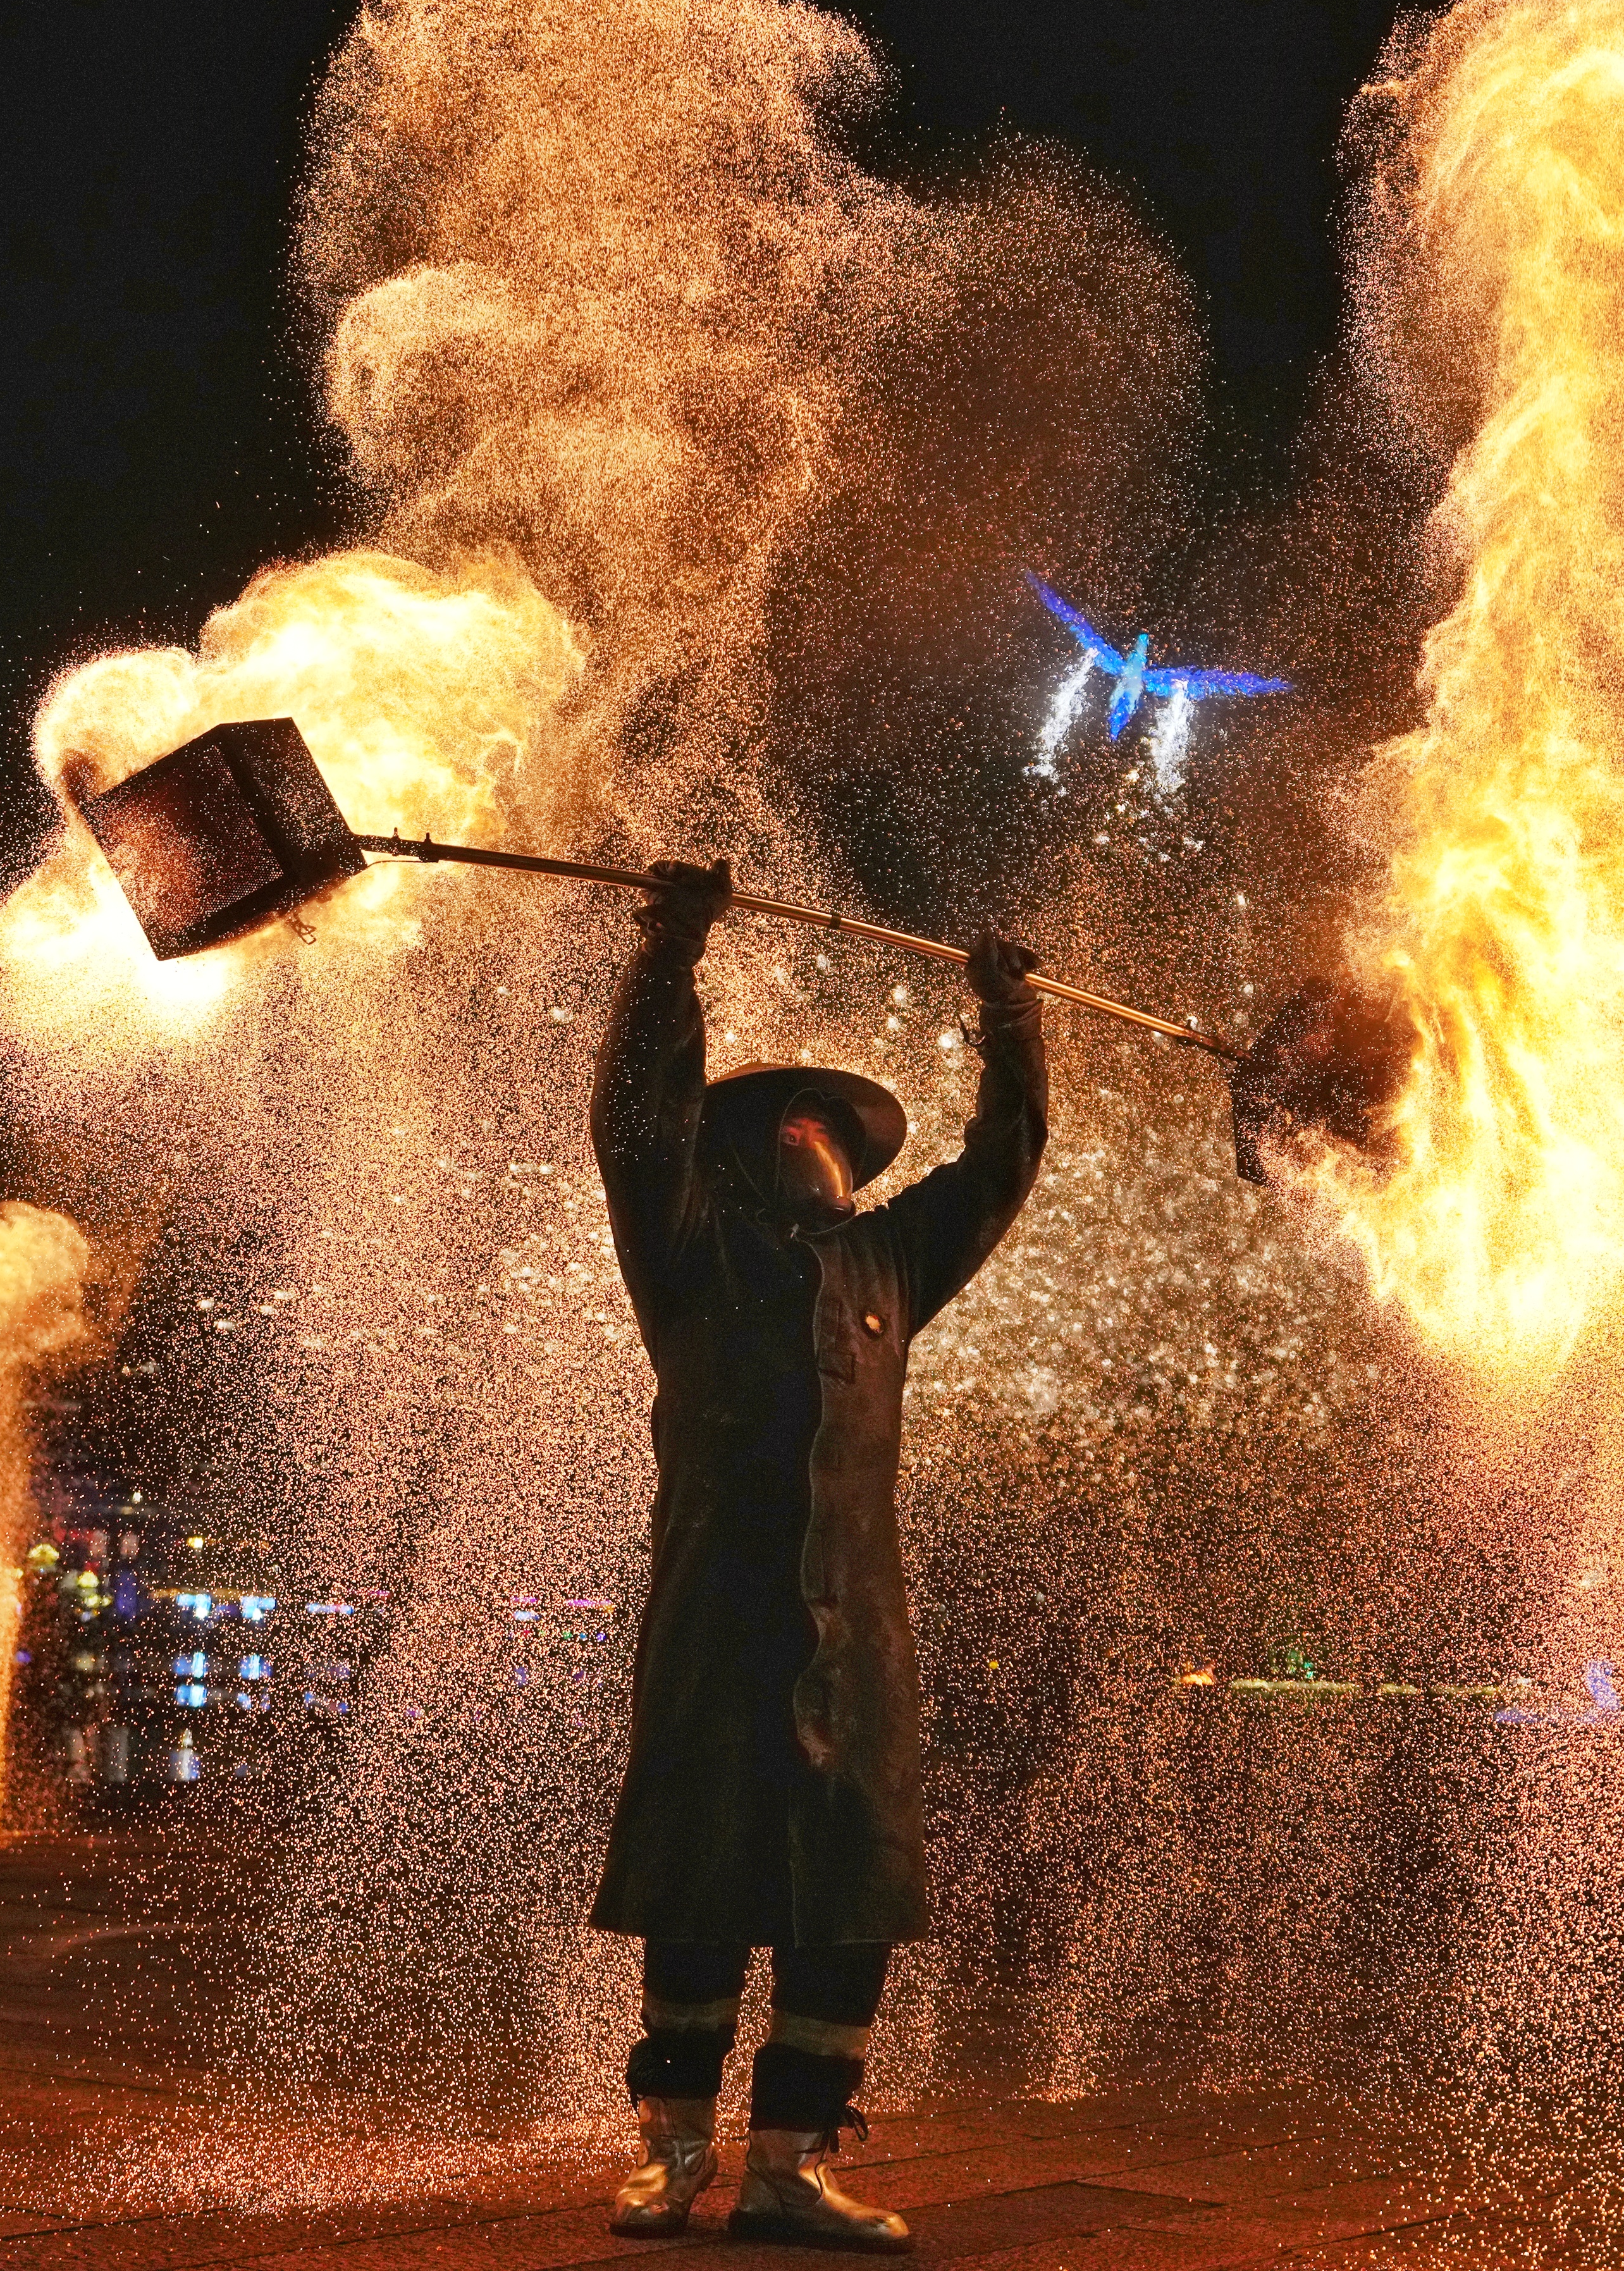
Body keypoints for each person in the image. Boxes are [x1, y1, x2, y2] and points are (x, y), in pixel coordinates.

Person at [587, 856, 1049, 2250]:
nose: (810, 1135)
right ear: (731, 1152)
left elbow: (1001, 1165)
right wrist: (669, 950)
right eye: (783, 1119)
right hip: (718, 1621)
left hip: (859, 1637)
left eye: (830, 1124)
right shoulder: (685, 1252)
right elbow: (628, 1126)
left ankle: (789, 2161)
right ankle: (671, 2155)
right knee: (700, 1885)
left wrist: (1009, 1017)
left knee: (845, 1899)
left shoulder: (889, 1272)